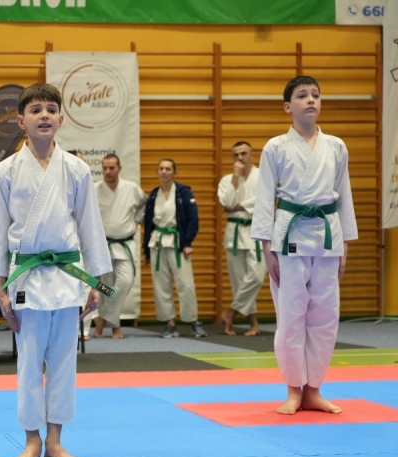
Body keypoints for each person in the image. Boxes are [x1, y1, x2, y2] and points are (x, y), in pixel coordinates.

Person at [0, 83, 112, 457]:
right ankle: (31, 440)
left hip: (67, 275)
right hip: (26, 277)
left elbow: (90, 227)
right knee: (29, 362)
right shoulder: (5, 171)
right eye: (35, 110)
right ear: (21, 121)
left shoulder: (76, 169)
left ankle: (55, 441)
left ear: (61, 119)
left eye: (51, 109)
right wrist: (0, 289)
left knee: (64, 362)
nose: (44, 116)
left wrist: (95, 281)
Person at [252, 75, 357, 415]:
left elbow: (345, 198)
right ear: (288, 107)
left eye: (315, 95)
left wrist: (345, 244)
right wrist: (267, 248)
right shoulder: (275, 148)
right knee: (291, 315)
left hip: (327, 235)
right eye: (302, 95)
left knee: (325, 317)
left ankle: (314, 390)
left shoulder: (336, 146)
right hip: (289, 236)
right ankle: (293, 390)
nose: (311, 100)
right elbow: (265, 199)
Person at [142, 159, 206, 338]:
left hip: (178, 242)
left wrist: (188, 242)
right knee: (161, 285)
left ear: (174, 173)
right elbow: (148, 224)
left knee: (186, 284)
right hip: (157, 243)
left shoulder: (183, 192)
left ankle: (193, 321)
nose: (164, 172)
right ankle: (170, 323)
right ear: (157, 172)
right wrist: (146, 251)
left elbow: (193, 218)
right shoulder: (154, 194)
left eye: (168, 169)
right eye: (161, 169)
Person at [93, 154, 146, 339]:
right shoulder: (95, 189)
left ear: (119, 168)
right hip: (104, 245)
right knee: (105, 288)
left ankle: (101, 319)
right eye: (105, 168)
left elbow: (144, 206)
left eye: (112, 168)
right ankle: (114, 328)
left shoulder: (131, 188)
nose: (108, 172)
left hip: (125, 244)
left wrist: (137, 221)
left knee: (125, 282)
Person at [218, 142, 267, 336]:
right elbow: (227, 202)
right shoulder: (227, 180)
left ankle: (230, 312)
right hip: (235, 233)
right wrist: (235, 178)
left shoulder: (264, 176)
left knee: (256, 276)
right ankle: (253, 324)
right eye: (236, 155)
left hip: (257, 231)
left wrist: (239, 206)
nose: (240, 158)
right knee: (239, 282)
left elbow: (266, 199)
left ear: (252, 155)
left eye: (244, 153)